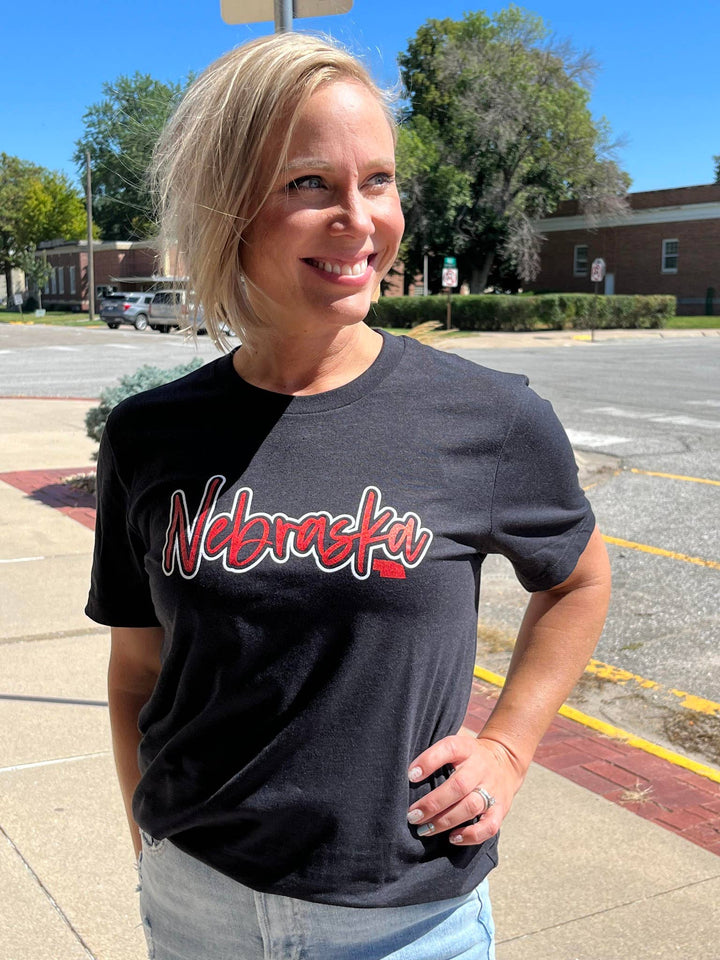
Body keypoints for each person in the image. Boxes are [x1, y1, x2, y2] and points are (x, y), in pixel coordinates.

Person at [86, 32, 611, 960]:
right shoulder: (151, 434)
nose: (360, 220)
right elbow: (137, 673)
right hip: (196, 900)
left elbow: (576, 580)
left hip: (407, 922)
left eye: (379, 180)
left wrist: (511, 747)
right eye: (309, 185)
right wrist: (150, 842)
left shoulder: (486, 418)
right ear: (228, 210)